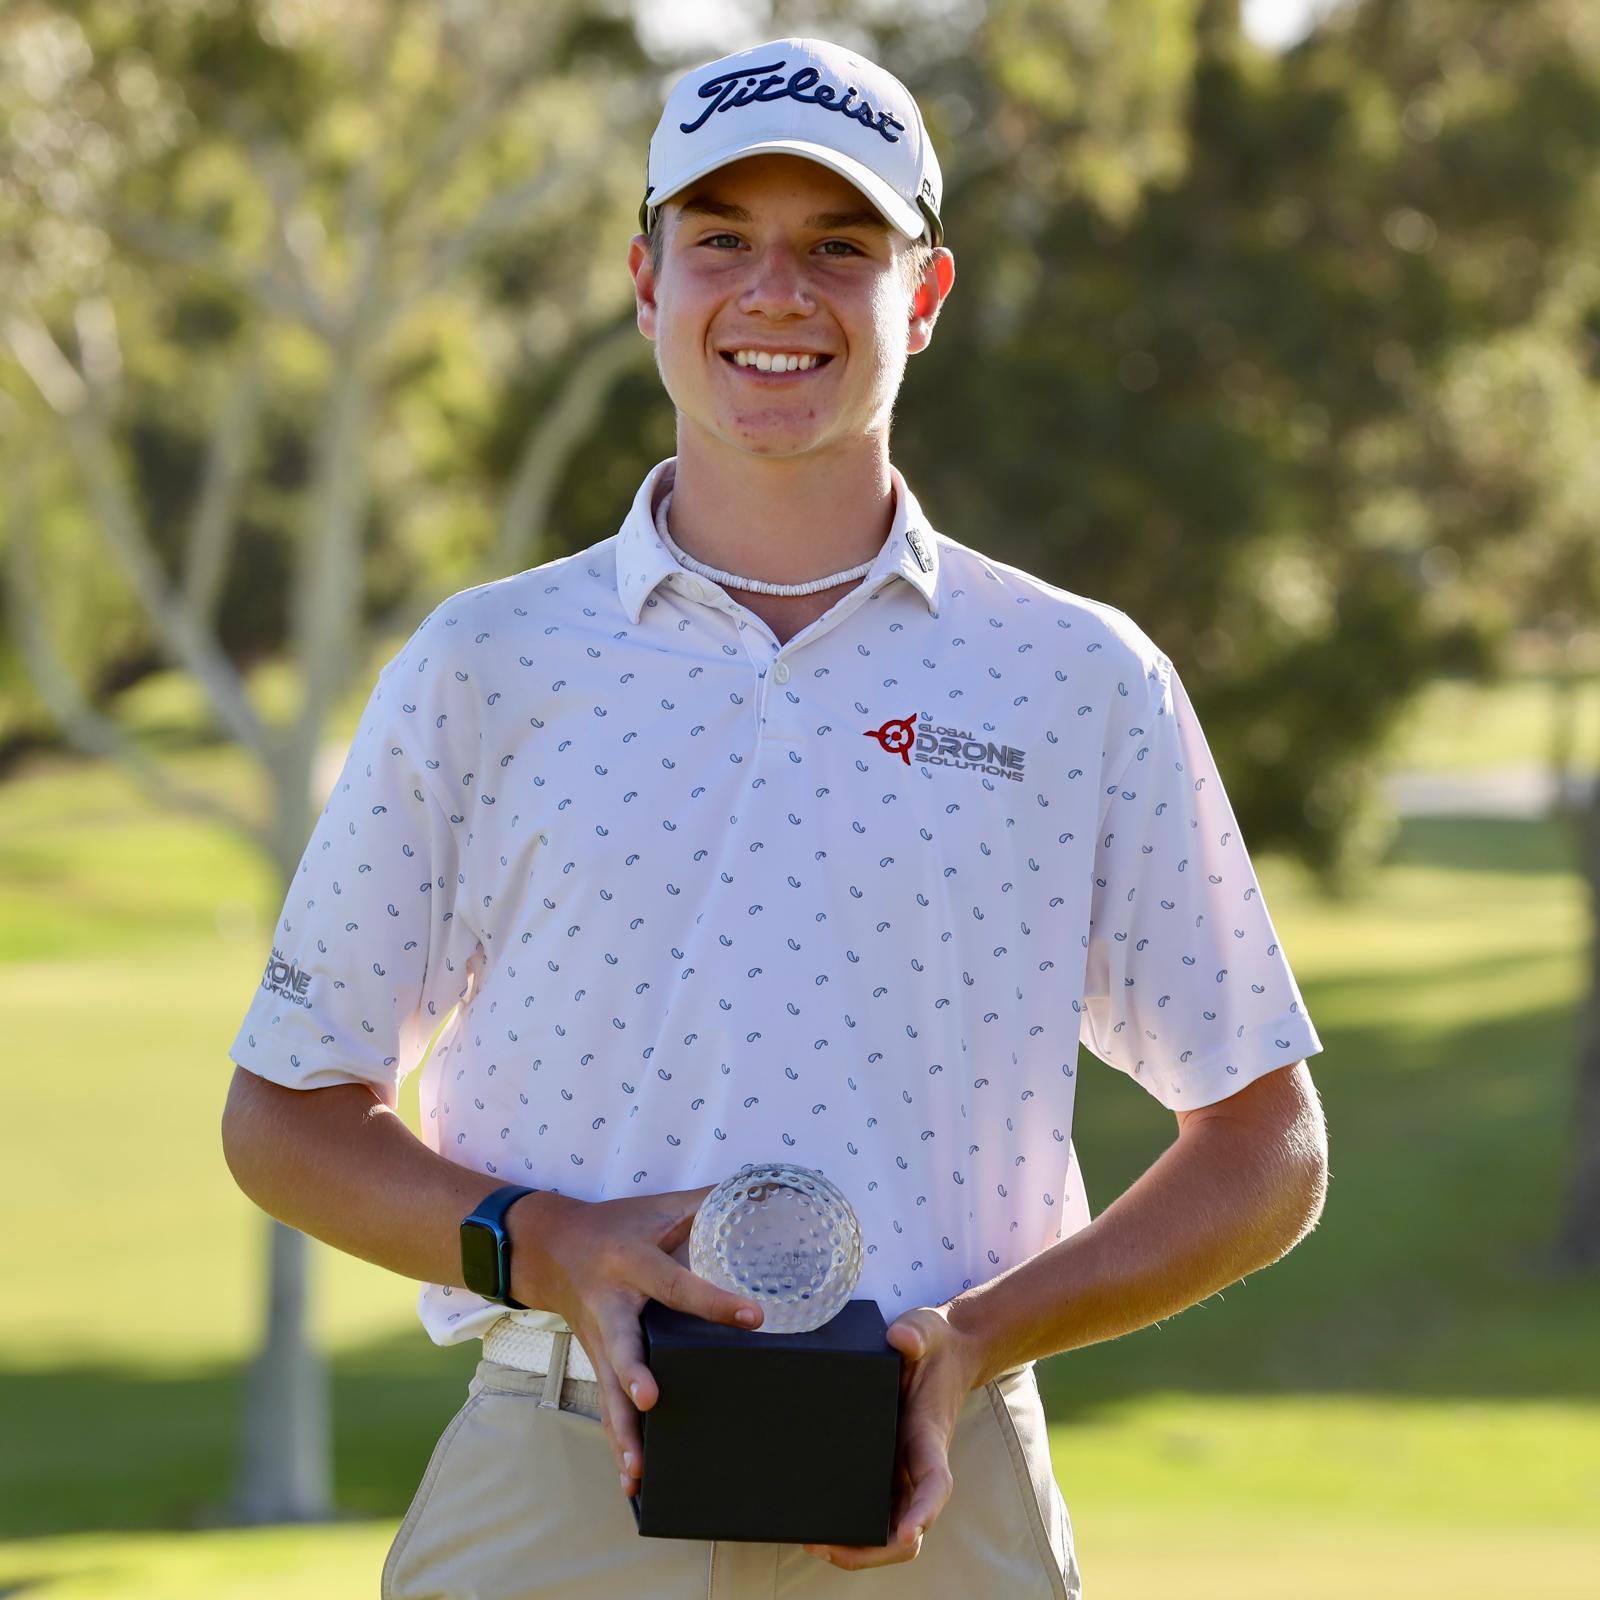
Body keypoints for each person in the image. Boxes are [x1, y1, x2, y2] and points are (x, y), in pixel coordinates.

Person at [220, 35, 1329, 1600]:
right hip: (557, 1467)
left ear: (924, 295)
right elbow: (283, 1114)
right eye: (723, 239)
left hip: (940, 1479)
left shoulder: (1079, 679)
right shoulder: (485, 666)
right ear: (646, 281)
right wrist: (547, 1245)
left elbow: (1267, 1144)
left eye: (840, 247)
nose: (776, 294)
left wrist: (978, 1339)